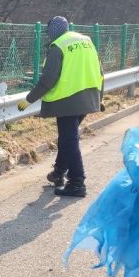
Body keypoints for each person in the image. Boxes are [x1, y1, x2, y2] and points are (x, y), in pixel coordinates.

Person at [17, 16, 103, 198]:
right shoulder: (86, 41)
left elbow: (48, 80)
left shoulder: (58, 47)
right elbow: (100, 71)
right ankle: (58, 173)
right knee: (67, 138)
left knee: (69, 140)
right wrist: (100, 97)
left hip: (67, 101)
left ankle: (77, 183)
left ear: (52, 32)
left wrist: (28, 100)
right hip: (89, 97)